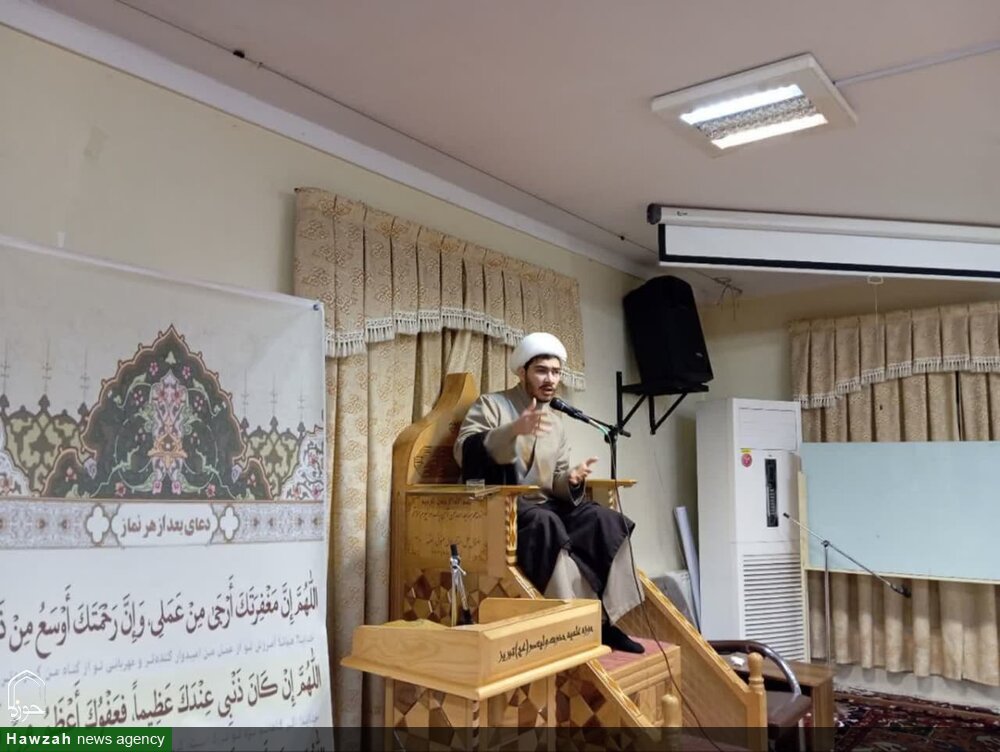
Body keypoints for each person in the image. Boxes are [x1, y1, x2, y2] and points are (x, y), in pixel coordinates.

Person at [454, 332, 645, 653]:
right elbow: (465, 450)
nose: (550, 379)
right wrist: (513, 430)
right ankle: (571, 623)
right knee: (547, 524)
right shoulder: (492, 405)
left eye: (556, 372)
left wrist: (571, 480)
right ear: (522, 372)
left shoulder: (555, 423)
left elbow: (555, 480)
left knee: (605, 520)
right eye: (541, 371)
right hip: (502, 509)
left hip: (545, 506)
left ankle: (605, 621)